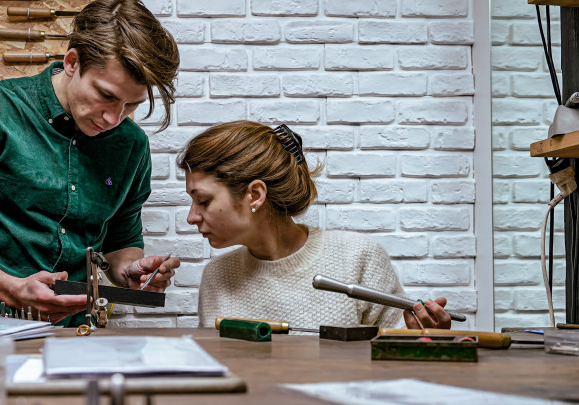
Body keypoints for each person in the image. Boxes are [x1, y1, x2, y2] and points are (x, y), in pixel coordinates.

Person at [0, 0, 181, 326]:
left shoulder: (131, 145)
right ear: (72, 62)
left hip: (74, 337)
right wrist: (12, 290)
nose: (114, 118)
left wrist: (131, 272)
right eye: (105, 95)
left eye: (130, 105)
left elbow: (121, 243)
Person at [179, 120, 453, 330]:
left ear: (255, 195)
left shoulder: (358, 258)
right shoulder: (216, 276)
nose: (191, 217)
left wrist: (427, 339)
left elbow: (398, 352)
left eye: (203, 201)